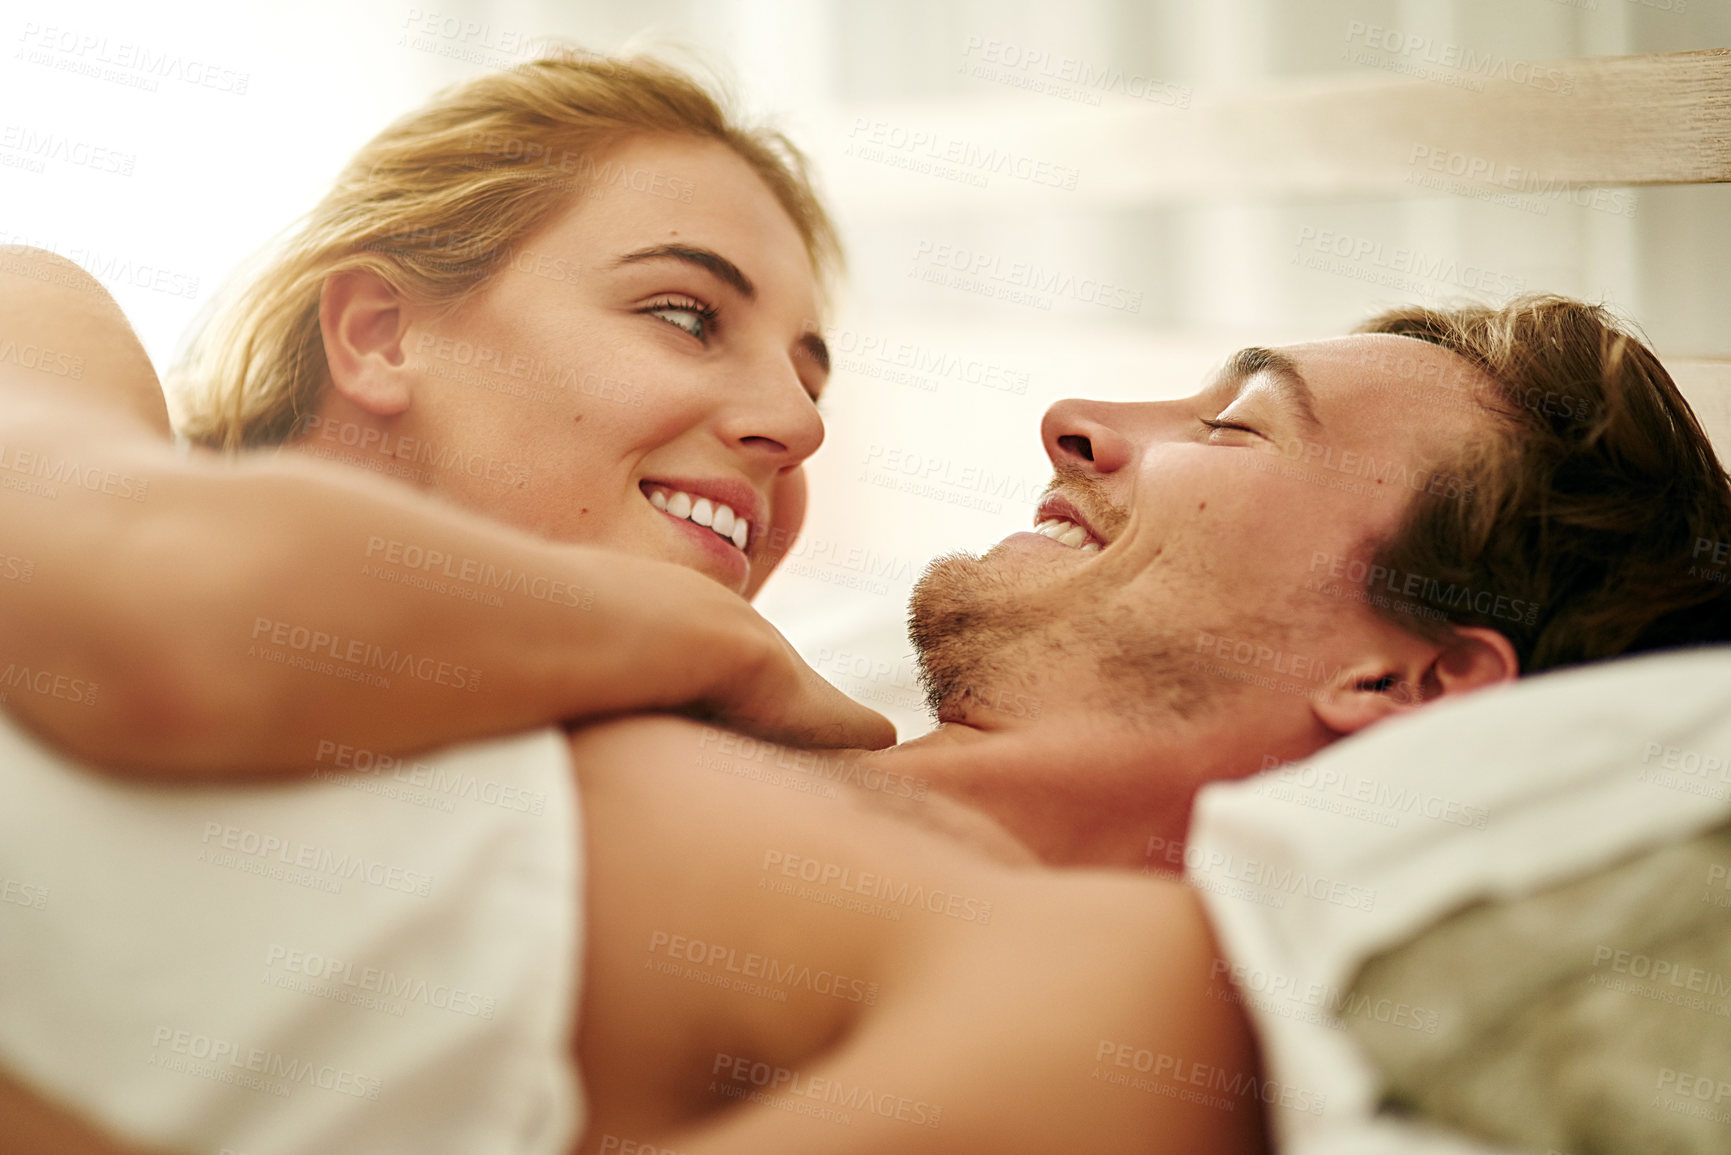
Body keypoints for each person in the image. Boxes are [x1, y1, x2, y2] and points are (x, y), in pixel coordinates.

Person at [5, 291, 1730, 1153]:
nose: (1071, 420)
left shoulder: (1108, 991)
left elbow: (146, 639)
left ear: (1411, 684)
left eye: (1240, 422)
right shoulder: (624, 646)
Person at [0, 50, 894, 776]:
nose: (800, 426)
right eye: (683, 315)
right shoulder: (39, 324)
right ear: (380, 334)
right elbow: (157, 619)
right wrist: (717, 648)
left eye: (809, 385)